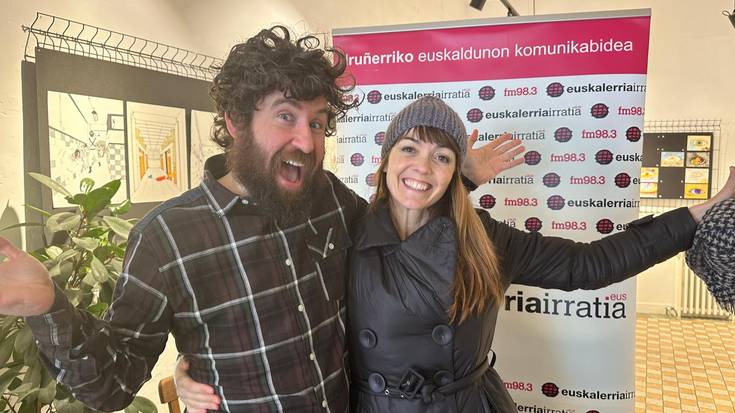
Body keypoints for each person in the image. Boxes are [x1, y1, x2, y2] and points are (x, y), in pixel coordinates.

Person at [0, 27, 521, 412]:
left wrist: (456, 178)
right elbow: (110, 387)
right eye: (286, 116)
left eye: (318, 123)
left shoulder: (329, 198)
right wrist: (47, 306)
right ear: (235, 121)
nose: (306, 141)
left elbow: (399, 237)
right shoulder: (166, 239)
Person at [174, 96, 735, 412]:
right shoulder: (347, 222)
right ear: (386, 160)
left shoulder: (482, 240)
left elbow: (588, 266)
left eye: (441, 157)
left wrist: (695, 216)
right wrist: (197, 363)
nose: (421, 167)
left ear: (453, 172)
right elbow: (279, 293)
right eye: (409, 149)